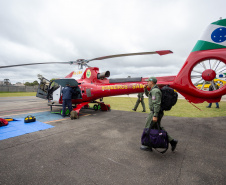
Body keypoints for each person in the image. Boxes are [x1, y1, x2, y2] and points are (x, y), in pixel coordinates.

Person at [140, 77, 178, 152]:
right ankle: (172, 141)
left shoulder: (155, 91)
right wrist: (145, 89)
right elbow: (148, 95)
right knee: (157, 128)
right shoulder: (153, 90)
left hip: (155, 112)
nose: (147, 83)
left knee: (148, 127)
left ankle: (148, 145)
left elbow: (157, 104)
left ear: (152, 82)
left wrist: (155, 115)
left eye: (148, 82)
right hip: (156, 112)